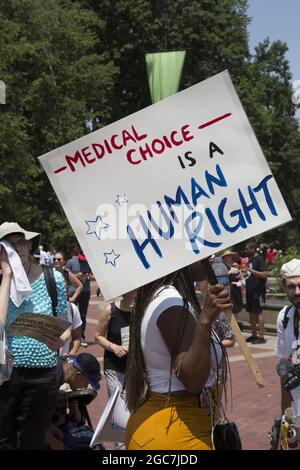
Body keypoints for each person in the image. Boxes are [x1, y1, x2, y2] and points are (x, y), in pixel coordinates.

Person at [124, 261, 232, 450]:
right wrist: (205, 321)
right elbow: (192, 380)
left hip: (170, 424)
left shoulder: (165, 296)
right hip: (174, 431)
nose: (209, 257)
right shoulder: (171, 304)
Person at [0, 222, 68, 449]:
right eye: (8, 245)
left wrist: (62, 339)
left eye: (20, 243)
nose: (16, 249)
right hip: (6, 374)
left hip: (43, 374)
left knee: (33, 439)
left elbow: (65, 323)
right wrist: (7, 275)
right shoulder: (1, 281)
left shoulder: (52, 278)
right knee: (4, 439)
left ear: (29, 245)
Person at [95, 290, 136, 450]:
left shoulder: (142, 310)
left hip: (136, 367)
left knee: (135, 408)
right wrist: (113, 347)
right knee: (120, 409)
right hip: (115, 366)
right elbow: (98, 336)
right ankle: (121, 448)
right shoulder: (110, 309)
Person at [275, 259, 300, 416]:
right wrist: (284, 417)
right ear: (284, 288)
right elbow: (284, 367)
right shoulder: (284, 317)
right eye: (291, 286)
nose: (297, 292)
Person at [66, 248, 94, 347]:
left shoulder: (89, 261)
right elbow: (66, 275)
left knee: (83, 315)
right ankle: (68, 337)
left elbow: (93, 277)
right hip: (73, 292)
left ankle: (81, 337)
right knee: (70, 315)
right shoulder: (71, 262)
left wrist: (88, 277)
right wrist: (77, 276)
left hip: (86, 292)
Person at [244, 241, 268, 344]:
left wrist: (251, 270)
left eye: (247, 249)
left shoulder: (259, 259)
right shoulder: (251, 260)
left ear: (253, 249)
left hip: (258, 291)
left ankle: (261, 336)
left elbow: (264, 274)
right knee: (251, 312)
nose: (246, 251)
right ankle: (254, 335)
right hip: (250, 290)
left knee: (258, 312)